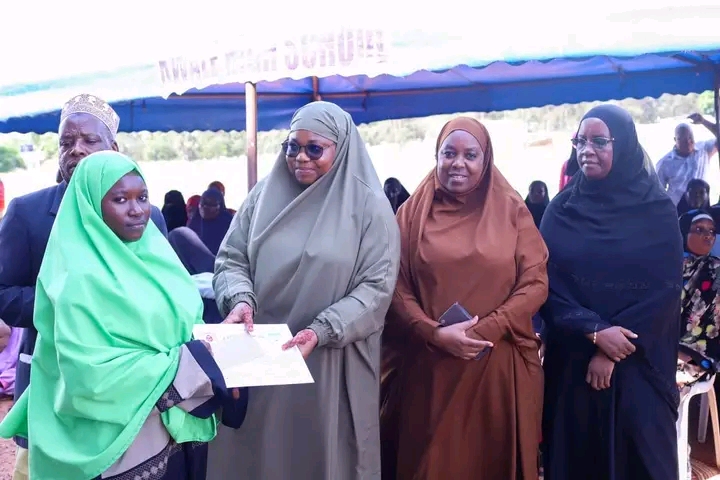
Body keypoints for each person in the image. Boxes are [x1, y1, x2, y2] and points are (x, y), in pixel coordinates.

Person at [0, 151, 229, 479]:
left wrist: (216, 340)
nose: (137, 210)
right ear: (91, 206)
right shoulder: (77, 280)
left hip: (172, 433)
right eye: (120, 199)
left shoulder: (157, 258)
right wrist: (188, 364)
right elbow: (88, 376)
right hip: (117, 445)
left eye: (143, 197)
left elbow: (186, 322)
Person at [207, 101, 401, 480]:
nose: (301, 158)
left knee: (317, 459)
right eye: (293, 146)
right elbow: (231, 258)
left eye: (316, 149)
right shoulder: (263, 196)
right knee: (255, 457)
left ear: (341, 148)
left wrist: (322, 329)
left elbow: (376, 289)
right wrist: (240, 299)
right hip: (258, 357)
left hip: (325, 362)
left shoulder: (369, 207)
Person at [0, 94, 168, 479]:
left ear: (114, 148)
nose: (76, 150)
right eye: (66, 141)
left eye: (89, 140)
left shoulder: (145, 215)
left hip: (130, 387)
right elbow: (4, 293)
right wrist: (68, 305)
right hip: (53, 384)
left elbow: (163, 291)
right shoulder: (28, 214)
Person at [380, 117, 547, 479]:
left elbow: (535, 283)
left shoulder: (512, 211)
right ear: (436, 155)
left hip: (495, 367)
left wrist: (487, 329)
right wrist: (431, 332)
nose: (459, 163)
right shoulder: (410, 215)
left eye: (470, 154)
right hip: (429, 369)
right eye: (449, 153)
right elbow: (392, 283)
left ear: (486, 159)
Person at [540, 105, 683, 479]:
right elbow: (545, 282)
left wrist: (613, 347)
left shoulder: (656, 211)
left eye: (600, 141)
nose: (586, 150)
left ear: (626, 146)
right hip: (573, 364)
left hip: (638, 364)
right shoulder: (562, 210)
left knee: (641, 461)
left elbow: (664, 291)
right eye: (580, 141)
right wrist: (594, 332)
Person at [678, 211, 720, 360]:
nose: (708, 235)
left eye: (712, 231)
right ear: (682, 231)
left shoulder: (715, 270)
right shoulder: (664, 265)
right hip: (654, 352)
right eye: (698, 229)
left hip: (698, 362)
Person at [656, 114, 719, 206]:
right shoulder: (665, 163)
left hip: (702, 207)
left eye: (690, 137)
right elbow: (657, 192)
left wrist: (704, 122)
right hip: (677, 211)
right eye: (682, 139)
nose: (688, 142)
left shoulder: (704, 149)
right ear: (675, 140)